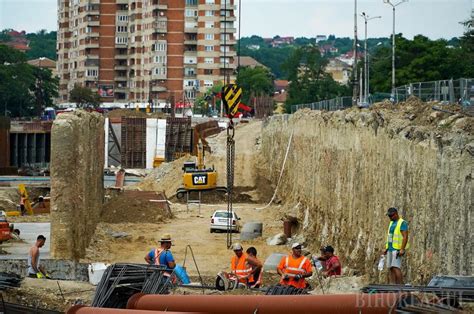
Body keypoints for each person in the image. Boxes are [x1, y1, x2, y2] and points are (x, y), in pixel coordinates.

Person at [383, 207, 409, 284]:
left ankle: (400, 286)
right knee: (391, 267)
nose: (390, 217)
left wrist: (402, 249)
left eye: (391, 216)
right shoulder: (391, 223)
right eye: (389, 216)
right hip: (390, 248)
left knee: (396, 267)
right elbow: (390, 236)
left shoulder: (402, 223)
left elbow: (405, 236)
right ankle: (393, 285)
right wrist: (386, 248)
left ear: (396, 214)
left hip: (397, 249)